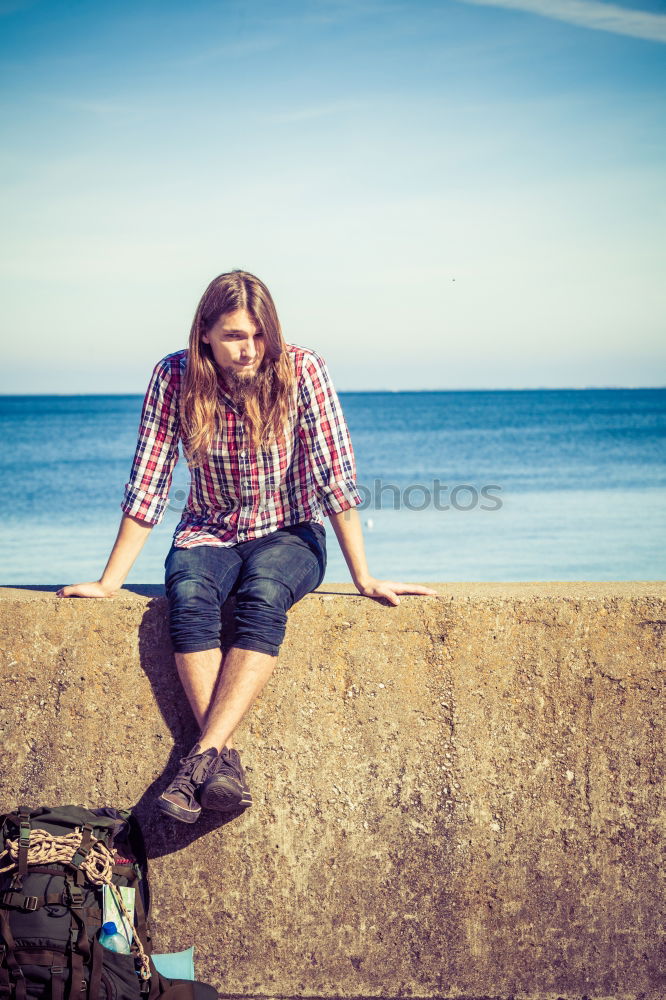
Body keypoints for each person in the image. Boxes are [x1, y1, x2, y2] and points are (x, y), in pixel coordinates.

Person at [57, 270, 438, 824]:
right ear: (205, 331)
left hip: (291, 531)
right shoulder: (174, 376)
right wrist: (111, 580)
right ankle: (218, 763)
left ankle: (199, 759)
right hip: (207, 529)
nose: (250, 350)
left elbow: (335, 475)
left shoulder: (301, 369)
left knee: (263, 595)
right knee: (188, 595)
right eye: (235, 335)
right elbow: (150, 480)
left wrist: (364, 574)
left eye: (259, 336)